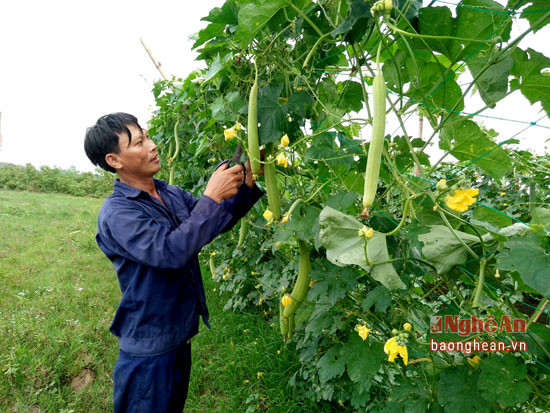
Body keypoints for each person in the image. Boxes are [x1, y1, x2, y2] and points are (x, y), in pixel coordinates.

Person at [84, 112, 264, 412]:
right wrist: (210, 196)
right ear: (115, 160)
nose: (152, 146)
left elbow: (208, 224)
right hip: (148, 349)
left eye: (147, 137)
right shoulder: (118, 213)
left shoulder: (166, 191)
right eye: (140, 142)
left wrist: (244, 183)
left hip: (177, 337)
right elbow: (171, 252)